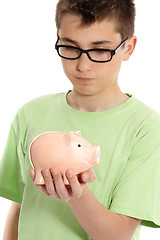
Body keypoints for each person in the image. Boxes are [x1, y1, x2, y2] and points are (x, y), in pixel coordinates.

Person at [1, 0, 160, 239]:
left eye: (99, 50)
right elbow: (20, 205)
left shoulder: (146, 128)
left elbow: (118, 235)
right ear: (58, 39)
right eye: (71, 48)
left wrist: (76, 194)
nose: (83, 66)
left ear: (128, 47)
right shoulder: (31, 113)